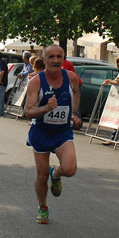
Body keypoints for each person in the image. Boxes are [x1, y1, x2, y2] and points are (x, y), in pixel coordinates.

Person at [24, 45, 81, 224]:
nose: (55, 60)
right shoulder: (36, 82)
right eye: (51, 57)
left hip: (62, 132)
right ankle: (42, 207)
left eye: (59, 57)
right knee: (41, 176)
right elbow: (28, 111)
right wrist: (46, 108)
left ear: (63, 59)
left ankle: (55, 174)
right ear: (45, 59)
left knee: (70, 169)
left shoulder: (71, 78)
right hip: (41, 132)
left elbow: (76, 93)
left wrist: (74, 114)